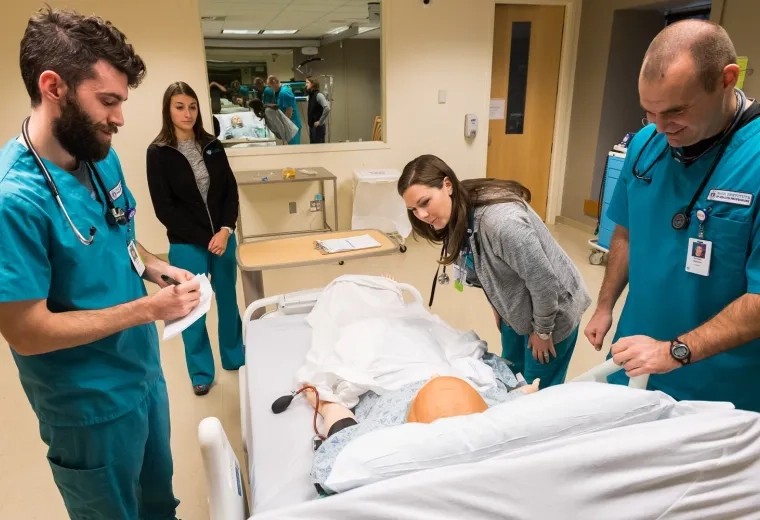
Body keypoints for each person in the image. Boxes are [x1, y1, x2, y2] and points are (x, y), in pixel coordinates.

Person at [0, 8, 200, 520]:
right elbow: (27, 331)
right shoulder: (14, 200)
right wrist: (147, 310)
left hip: (142, 376)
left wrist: (157, 269)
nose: (119, 119)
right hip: (88, 405)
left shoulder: (99, 155)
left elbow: (124, 238)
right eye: (107, 101)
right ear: (54, 87)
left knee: (159, 502)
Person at [584, 20, 760, 412]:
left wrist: (676, 351)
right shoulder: (646, 145)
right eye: (650, 112)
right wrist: (605, 305)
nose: (662, 127)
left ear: (727, 79)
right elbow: (627, 232)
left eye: (677, 111)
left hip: (719, 387)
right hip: (635, 360)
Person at [398, 155, 591, 389]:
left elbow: (544, 283)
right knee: (509, 375)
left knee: (535, 391)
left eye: (425, 202)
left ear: (447, 185)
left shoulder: (502, 224)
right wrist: (499, 306)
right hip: (515, 312)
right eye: (413, 209)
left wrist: (542, 333)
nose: (422, 215)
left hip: (553, 313)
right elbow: (484, 266)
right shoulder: (459, 213)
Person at [305, 358, 540, 495]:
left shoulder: (382, 430)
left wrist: (323, 402)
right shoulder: (492, 415)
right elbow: (508, 404)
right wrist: (521, 394)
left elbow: (339, 431)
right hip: (452, 376)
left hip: (399, 380)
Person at [146, 82, 244, 396]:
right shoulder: (158, 152)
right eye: (179, 106)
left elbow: (230, 190)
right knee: (192, 307)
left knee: (228, 300)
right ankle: (201, 371)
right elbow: (164, 208)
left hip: (223, 239)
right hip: (187, 244)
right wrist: (206, 238)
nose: (187, 113)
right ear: (168, 110)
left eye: (192, 106)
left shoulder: (213, 144)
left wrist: (226, 229)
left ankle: (234, 356)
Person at [265, 75, 302, 145]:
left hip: (292, 125)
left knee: (293, 149)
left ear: (274, 82)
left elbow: (289, 111)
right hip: (289, 124)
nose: (270, 88)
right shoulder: (279, 92)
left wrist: (284, 128)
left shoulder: (284, 92)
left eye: (270, 86)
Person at [306, 76, 331, 144]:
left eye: (307, 83)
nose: (306, 85)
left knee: (319, 150)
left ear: (313, 84)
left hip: (318, 128)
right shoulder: (311, 96)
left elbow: (327, 108)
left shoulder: (319, 95)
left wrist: (320, 121)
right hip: (312, 127)